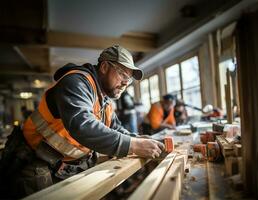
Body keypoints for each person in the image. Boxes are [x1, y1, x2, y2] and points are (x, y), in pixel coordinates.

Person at [0, 45, 164, 198]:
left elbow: (116, 128)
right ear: (105, 67)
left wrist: (139, 139)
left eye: (128, 79)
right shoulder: (76, 82)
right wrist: (133, 145)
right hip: (35, 161)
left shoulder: (104, 100)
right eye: (122, 74)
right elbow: (82, 125)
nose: (125, 83)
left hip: (64, 166)